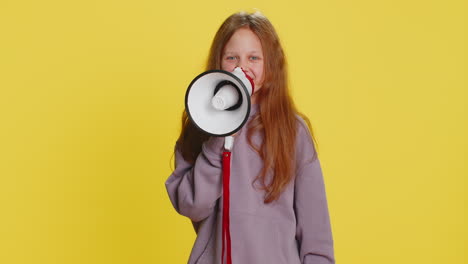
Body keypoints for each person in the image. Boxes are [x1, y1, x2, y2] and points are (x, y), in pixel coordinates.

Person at [165, 11, 335, 264]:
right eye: (232, 57)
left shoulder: (292, 131)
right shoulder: (200, 127)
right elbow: (192, 205)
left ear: (270, 64)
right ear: (218, 62)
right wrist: (218, 140)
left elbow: (316, 233)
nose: (242, 67)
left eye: (254, 57)